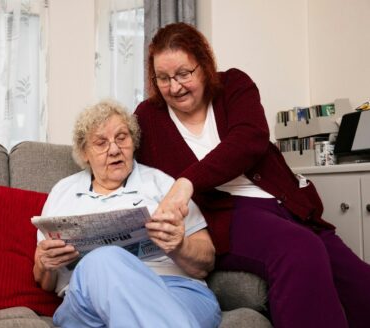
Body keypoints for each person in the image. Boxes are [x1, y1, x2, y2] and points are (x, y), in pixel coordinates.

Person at [134, 22, 370, 328]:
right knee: (299, 250)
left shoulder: (234, 84)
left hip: (286, 202)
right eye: (163, 78)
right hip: (226, 215)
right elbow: (122, 163)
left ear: (203, 65)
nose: (174, 87)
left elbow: (250, 139)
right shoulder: (148, 116)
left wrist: (187, 181)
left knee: (360, 283)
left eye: (183, 74)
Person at [33, 100, 221, 328]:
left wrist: (180, 245)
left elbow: (207, 260)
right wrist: (45, 264)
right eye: (101, 143)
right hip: (88, 303)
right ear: (84, 153)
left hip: (173, 290)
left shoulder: (162, 183)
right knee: (102, 260)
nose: (114, 149)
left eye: (122, 138)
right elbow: (45, 282)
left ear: (134, 142)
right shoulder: (63, 192)